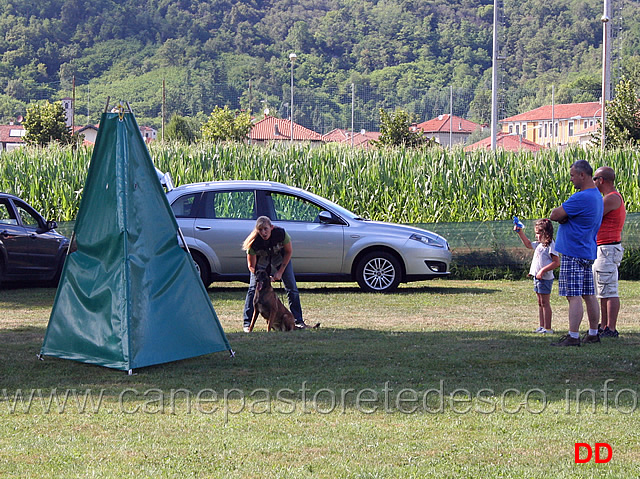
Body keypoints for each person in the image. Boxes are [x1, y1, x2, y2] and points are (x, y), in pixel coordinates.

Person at [550, 160, 603, 347]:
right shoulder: (597, 195)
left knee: (573, 295)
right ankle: (593, 333)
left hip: (573, 252)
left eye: (573, 175)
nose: (571, 178)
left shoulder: (581, 197)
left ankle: (573, 336)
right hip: (587, 250)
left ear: (582, 175)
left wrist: (564, 217)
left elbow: (555, 214)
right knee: (589, 294)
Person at [242, 216, 307, 332]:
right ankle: (247, 323)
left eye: (266, 229)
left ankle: (298, 320)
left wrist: (280, 272)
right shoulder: (253, 242)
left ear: (271, 227)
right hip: (261, 259)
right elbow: (251, 265)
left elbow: (289, 252)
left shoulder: (281, 234)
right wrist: (261, 277)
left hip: (279, 257)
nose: (263, 232)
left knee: (291, 287)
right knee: (253, 288)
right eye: (260, 230)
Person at [592, 166, 626, 338]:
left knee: (610, 290)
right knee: (603, 290)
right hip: (604, 248)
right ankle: (604, 325)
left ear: (602, 180)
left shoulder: (611, 198)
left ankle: (611, 328)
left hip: (607, 248)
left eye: (595, 179)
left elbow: (593, 214)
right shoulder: (610, 197)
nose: (593, 182)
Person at [514, 218, 560, 334]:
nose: (536, 236)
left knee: (545, 303)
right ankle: (542, 326)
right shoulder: (540, 245)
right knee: (540, 303)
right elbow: (528, 244)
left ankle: (548, 328)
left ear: (545, 233)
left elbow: (556, 262)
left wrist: (542, 271)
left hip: (545, 279)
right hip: (537, 279)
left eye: (538, 233)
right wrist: (520, 232)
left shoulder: (551, 245)